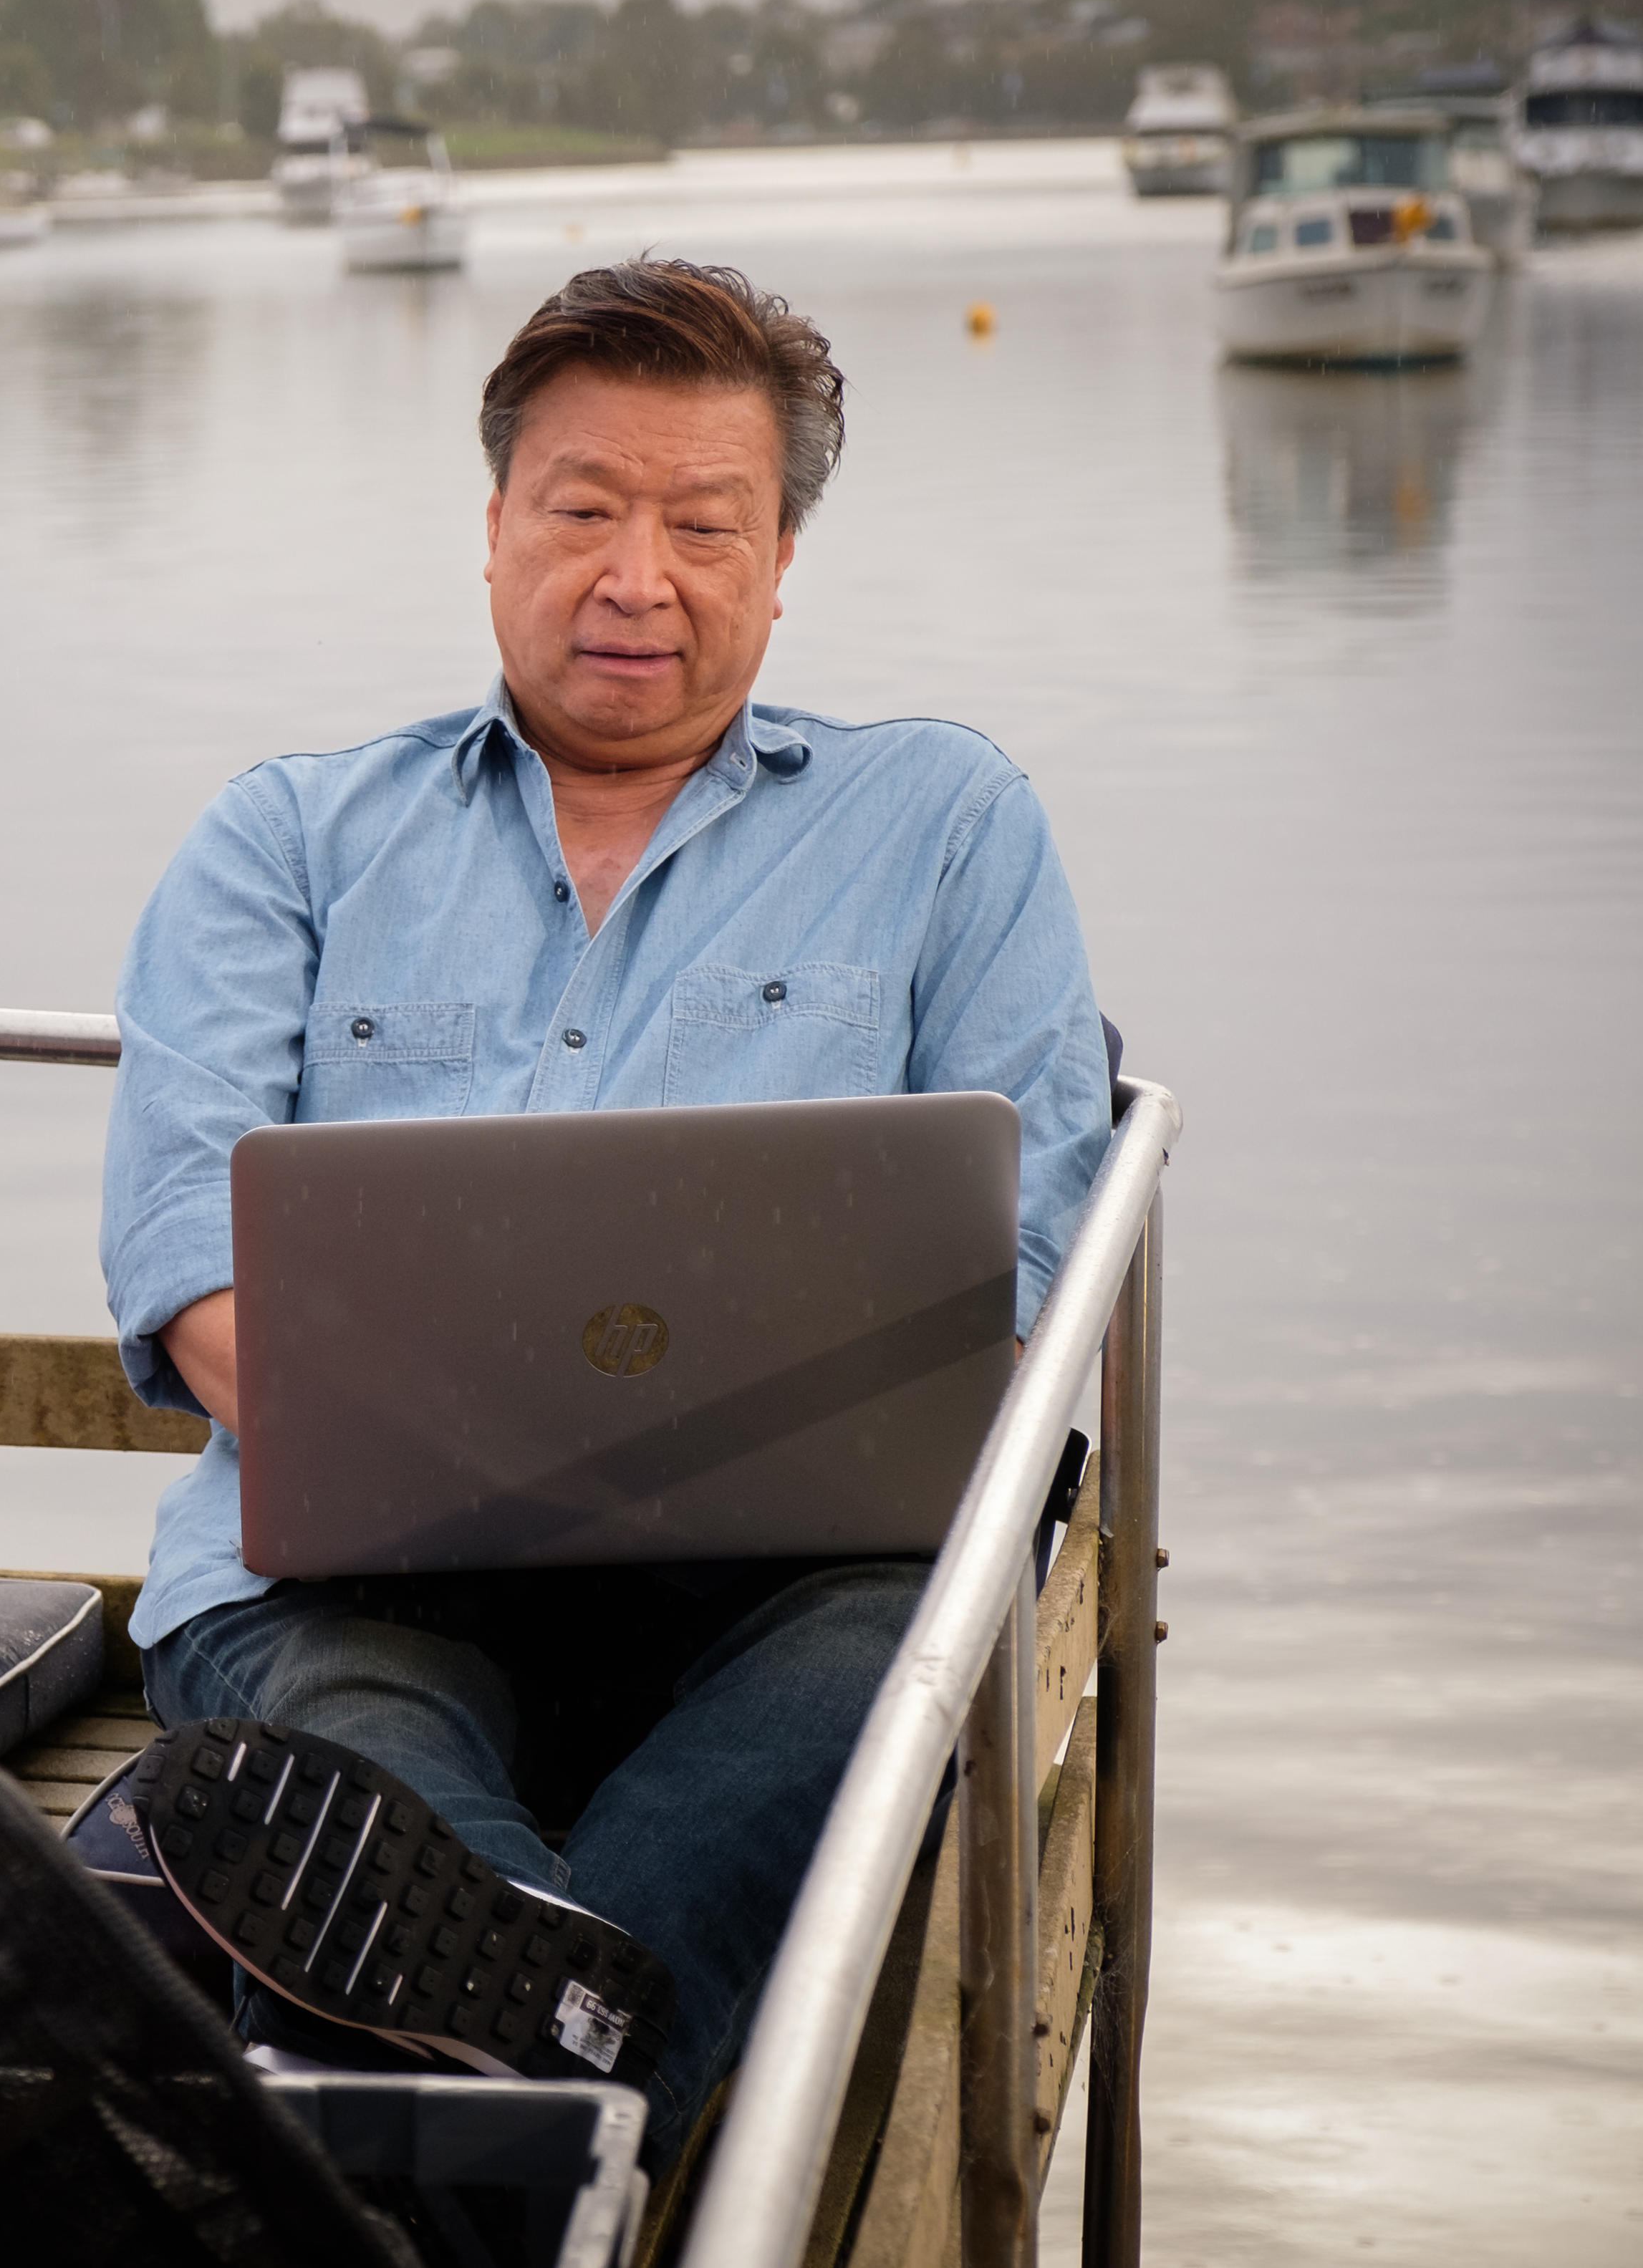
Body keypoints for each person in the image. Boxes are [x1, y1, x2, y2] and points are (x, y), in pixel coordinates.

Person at [97, 259, 1111, 2163]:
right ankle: (590, 2060)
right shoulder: (290, 839)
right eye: (583, 511)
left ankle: (510, 2059)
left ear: (781, 559)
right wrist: (448, 1462)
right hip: (350, 1582)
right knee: (336, 1744)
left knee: (882, 1664)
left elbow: (1022, 1276)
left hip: (794, 1589)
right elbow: (184, 1249)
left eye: (703, 524)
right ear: (494, 531)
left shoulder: (945, 824)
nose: (638, 574)